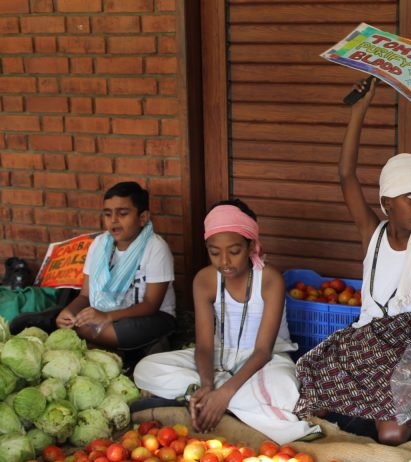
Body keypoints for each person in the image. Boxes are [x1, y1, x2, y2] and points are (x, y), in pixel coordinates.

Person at [292, 78, 411, 446]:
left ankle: (383, 413)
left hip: (406, 347)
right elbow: (346, 176)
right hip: (365, 342)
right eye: (410, 197)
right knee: (307, 394)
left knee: (393, 433)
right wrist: (359, 111)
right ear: (386, 204)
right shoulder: (373, 235)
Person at [133, 200, 321, 443]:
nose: (224, 261)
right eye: (214, 252)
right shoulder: (204, 280)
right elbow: (203, 346)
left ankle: (212, 401)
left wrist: (225, 392)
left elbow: (263, 351)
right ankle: (213, 398)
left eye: (234, 251)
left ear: (251, 246)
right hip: (220, 357)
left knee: (285, 389)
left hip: (266, 360)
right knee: (145, 369)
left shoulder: (270, 279)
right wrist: (207, 384)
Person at [55, 181, 176, 349]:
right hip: (106, 314)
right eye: (107, 214)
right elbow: (85, 296)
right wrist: (69, 312)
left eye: (123, 213)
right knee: (71, 322)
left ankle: (119, 344)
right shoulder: (99, 245)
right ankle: (115, 345)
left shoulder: (155, 247)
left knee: (118, 332)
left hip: (152, 316)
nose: (113, 221)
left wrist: (107, 317)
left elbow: (150, 304)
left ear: (142, 218)